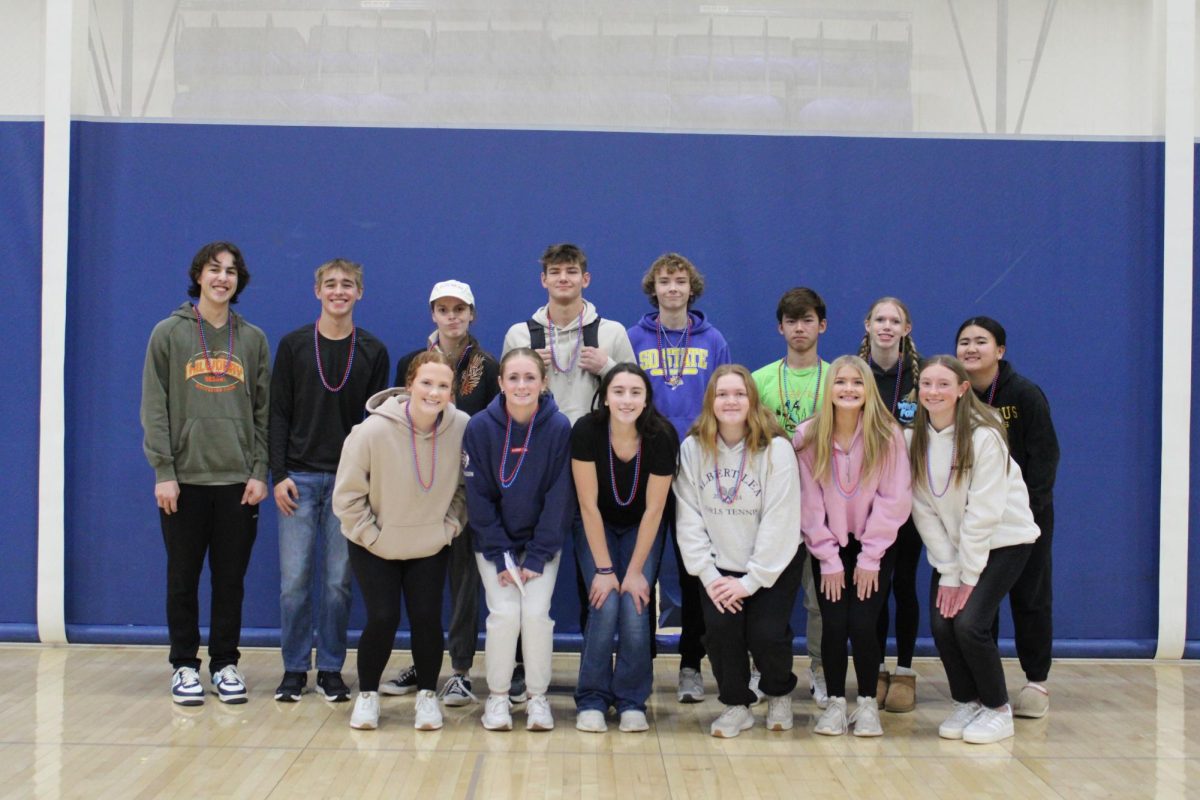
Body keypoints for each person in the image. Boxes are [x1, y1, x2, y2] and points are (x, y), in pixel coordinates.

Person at [140, 241, 270, 705]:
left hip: (238, 481)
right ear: (198, 275)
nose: (223, 278)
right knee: (183, 576)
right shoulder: (168, 334)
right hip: (185, 480)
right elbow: (154, 408)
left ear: (239, 282)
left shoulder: (252, 338)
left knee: (230, 579)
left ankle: (225, 663)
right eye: (215, 270)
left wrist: (259, 470)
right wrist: (163, 470)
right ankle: (183, 666)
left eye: (232, 271)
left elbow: (263, 411)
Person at [502, 242, 635, 684]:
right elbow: (505, 403)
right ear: (543, 280)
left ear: (586, 279)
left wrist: (609, 366)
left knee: (591, 572)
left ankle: (593, 672)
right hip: (534, 468)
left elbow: (635, 394)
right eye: (555, 272)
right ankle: (519, 669)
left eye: (571, 271)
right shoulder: (520, 335)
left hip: (594, 465)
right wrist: (527, 375)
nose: (563, 279)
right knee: (524, 570)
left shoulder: (611, 331)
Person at [270, 258, 390, 705]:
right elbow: (278, 412)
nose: (339, 291)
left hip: (349, 483)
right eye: (331, 284)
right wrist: (277, 474)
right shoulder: (294, 345)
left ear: (360, 293)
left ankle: (333, 668)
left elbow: (377, 423)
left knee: (339, 582)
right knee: (294, 581)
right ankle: (295, 668)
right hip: (298, 478)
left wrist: (371, 484)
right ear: (317, 291)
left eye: (348, 285)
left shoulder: (373, 351)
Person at [334, 351, 469, 731]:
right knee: (383, 616)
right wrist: (370, 535)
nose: (434, 391)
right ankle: (368, 696)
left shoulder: (461, 427)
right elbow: (346, 496)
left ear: (452, 392)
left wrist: (449, 528)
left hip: (429, 542)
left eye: (443, 385)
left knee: (427, 617)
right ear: (409, 385)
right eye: (426, 383)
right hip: (374, 543)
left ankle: (427, 696)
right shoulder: (372, 431)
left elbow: (464, 488)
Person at [908, 355, 1040, 745]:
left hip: (1004, 542)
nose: (934, 392)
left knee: (970, 624)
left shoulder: (985, 436)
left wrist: (967, 577)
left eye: (943, 384)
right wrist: (950, 571)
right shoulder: (915, 439)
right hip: (955, 548)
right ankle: (967, 701)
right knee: (941, 624)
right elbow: (923, 511)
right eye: (927, 384)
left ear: (962, 389)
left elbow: (984, 513)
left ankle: (998, 710)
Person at [380, 280, 499, 707]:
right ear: (432, 314)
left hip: (467, 488)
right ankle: (422, 662)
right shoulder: (412, 364)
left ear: (471, 315)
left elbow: (492, 431)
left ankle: (462, 671)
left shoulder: (486, 364)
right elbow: (396, 421)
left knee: (464, 583)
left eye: (459, 309)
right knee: (421, 586)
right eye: (443, 309)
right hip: (418, 487)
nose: (452, 316)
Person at [674, 364, 803, 739]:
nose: (731, 401)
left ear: (753, 400)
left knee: (766, 634)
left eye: (739, 394)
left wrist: (752, 581)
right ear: (710, 402)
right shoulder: (694, 448)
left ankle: (779, 694)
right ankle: (736, 704)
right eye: (722, 394)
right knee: (720, 634)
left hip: (772, 563)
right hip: (719, 566)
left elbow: (780, 521)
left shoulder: (776, 449)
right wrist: (710, 576)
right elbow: (688, 516)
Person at [627, 252, 730, 704]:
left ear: (692, 288)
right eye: (665, 281)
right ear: (654, 288)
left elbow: (725, 400)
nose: (672, 288)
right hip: (644, 464)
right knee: (642, 565)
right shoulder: (632, 338)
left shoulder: (713, 340)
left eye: (680, 281)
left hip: (697, 467)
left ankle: (691, 665)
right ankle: (639, 661)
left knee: (693, 570)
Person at [796, 356, 911, 737]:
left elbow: (894, 499)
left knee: (863, 624)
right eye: (840, 382)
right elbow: (809, 505)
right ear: (828, 389)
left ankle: (865, 704)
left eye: (857, 383)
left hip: (873, 546)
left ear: (868, 390)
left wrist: (871, 555)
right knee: (833, 624)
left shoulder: (887, 433)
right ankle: (834, 705)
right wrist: (827, 558)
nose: (848, 389)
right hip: (828, 545)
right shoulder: (808, 436)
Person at [465, 348, 574, 732]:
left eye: (530, 377)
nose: (522, 385)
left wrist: (537, 557)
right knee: (505, 614)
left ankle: (536, 698)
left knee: (536, 615)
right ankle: (497, 699)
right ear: (500, 383)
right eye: (513, 378)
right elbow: (477, 499)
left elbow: (559, 498)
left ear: (544, 383)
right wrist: (501, 555)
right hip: (495, 545)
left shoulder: (559, 427)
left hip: (541, 546)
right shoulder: (479, 427)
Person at [956, 316, 1060, 719]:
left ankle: (1036, 680)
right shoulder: (956, 395)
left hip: (1023, 520)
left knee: (1031, 597)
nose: (970, 349)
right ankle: (988, 684)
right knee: (982, 603)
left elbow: (1045, 458)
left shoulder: (1025, 395)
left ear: (999, 350)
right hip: (976, 520)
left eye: (980, 342)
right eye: (963, 342)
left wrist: (1025, 516)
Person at [572, 364, 679, 733]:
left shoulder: (662, 436)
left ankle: (632, 699)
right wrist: (604, 570)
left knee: (635, 602)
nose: (626, 399)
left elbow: (654, 509)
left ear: (647, 398)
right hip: (595, 523)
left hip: (641, 526)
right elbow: (587, 506)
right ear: (605, 396)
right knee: (605, 602)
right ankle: (592, 699)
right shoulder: (586, 431)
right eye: (618, 391)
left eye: (635, 392)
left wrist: (634, 572)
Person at [751, 287, 829, 707]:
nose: (800, 328)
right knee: (766, 597)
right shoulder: (760, 380)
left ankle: (820, 668)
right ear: (780, 327)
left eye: (808, 320)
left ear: (822, 325)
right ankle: (760, 668)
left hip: (824, 508)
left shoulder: (840, 378)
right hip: (771, 508)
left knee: (818, 600)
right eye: (792, 321)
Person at [856, 296, 924, 712]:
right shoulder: (852, 375)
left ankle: (905, 670)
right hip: (865, 500)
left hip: (909, 501)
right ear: (867, 325)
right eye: (879, 319)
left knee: (904, 584)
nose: (886, 326)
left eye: (894, 320)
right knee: (874, 587)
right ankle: (876, 666)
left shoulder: (921, 377)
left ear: (906, 329)